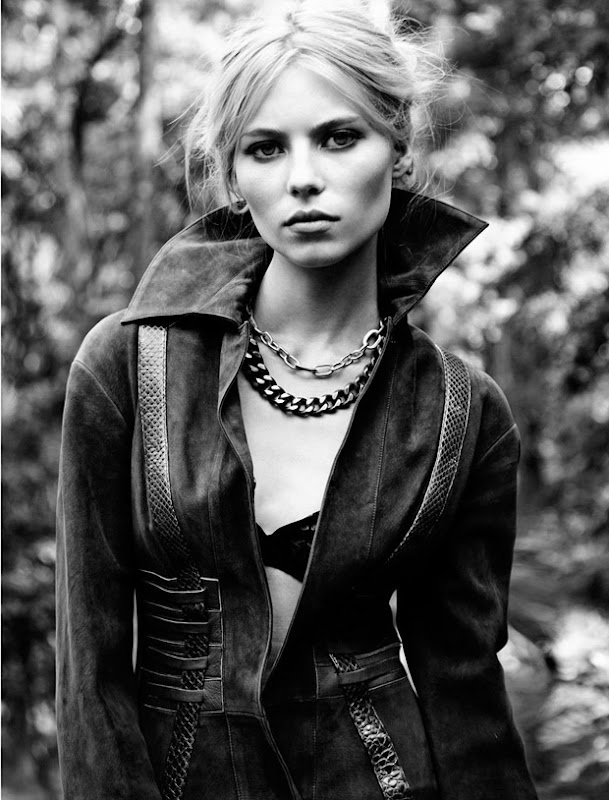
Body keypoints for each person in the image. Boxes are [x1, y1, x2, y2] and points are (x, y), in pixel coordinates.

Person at [55, 3, 539, 799]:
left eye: (338, 137)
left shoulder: (461, 411)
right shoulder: (129, 364)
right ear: (234, 175)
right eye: (266, 148)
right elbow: (90, 673)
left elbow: (464, 690)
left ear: (397, 147)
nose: (302, 177)